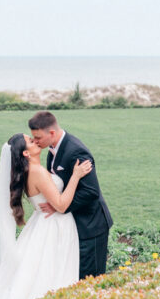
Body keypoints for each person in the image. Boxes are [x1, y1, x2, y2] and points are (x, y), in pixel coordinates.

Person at [0, 133, 93, 299]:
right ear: (25, 153)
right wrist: (76, 176)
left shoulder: (33, 170)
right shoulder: (37, 172)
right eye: (31, 141)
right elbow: (62, 205)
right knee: (52, 274)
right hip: (54, 228)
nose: (36, 141)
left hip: (43, 224)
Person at [29, 111, 113, 279]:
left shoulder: (76, 152)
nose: (35, 142)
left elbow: (91, 192)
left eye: (38, 138)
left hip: (90, 226)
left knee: (90, 280)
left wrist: (59, 206)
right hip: (73, 225)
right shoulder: (51, 148)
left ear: (51, 133)